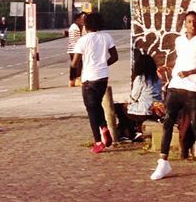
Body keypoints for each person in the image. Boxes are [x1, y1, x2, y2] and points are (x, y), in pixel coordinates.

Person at [151, 10, 196, 180]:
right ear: (185, 24)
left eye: (195, 22)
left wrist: (190, 72)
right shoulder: (180, 41)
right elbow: (181, 59)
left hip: (194, 89)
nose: (193, 24)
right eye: (189, 21)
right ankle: (163, 162)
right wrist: (168, 66)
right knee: (167, 122)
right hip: (176, 87)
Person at [71, 11, 118, 152]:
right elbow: (115, 57)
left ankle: (98, 141)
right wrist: (103, 64)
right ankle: (103, 127)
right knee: (97, 105)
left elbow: (74, 63)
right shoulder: (106, 37)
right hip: (103, 77)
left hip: (88, 78)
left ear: (86, 25)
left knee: (91, 109)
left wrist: (75, 73)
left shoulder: (83, 40)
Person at [113, 50, 162, 142]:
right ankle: (133, 131)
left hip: (144, 111)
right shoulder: (157, 78)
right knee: (127, 108)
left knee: (119, 108)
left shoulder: (140, 79)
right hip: (155, 110)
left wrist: (126, 102)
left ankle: (126, 133)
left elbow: (134, 97)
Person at [67, 10, 85, 86]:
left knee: (74, 65)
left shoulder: (77, 27)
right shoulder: (74, 28)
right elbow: (76, 40)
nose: (83, 20)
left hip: (73, 49)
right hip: (75, 49)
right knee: (78, 64)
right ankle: (77, 79)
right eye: (82, 18)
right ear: (77, 19)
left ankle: (72, 80)